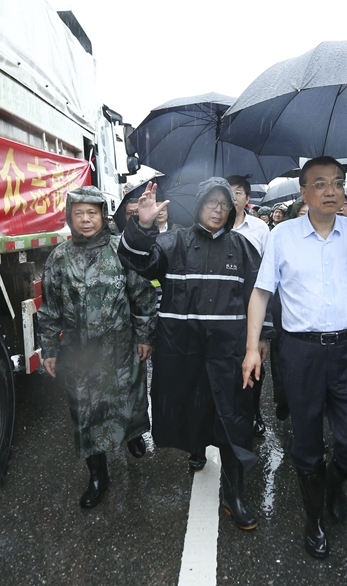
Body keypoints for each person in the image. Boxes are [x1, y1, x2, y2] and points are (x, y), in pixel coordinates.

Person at [243, 156, 347, 559]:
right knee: (306, 442)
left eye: (338, 183)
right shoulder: (283, 235)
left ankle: (333, 483)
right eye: (320, 184)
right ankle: (314, 519)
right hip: (300, 353)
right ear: (304, 192)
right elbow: (261, 293)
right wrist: (253, 348)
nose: (331, 191)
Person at [119, 178, 267, 531]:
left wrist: (262, 340)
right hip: (183, 350)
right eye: (211, 202)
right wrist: (142, 226)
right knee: (192, 408)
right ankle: (196, 448)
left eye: (224, 204)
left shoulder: (243, 248)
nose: (218, 209)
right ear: (199, 205)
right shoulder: (174, 242)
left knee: (234, 420)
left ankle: (234, 496)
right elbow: (138, 261)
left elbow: (259, 295)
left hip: (228, 353)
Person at [38, 186, 157, 509]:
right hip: (80, 355)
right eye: (79, 213)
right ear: (70, 217)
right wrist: (49, 349)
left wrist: (145, 336)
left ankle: (132, 434)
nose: (86, 219)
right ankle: (97, 474)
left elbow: (142, 295)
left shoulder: (121, 250)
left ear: (103, 216)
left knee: (128, 398)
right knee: (85, 412)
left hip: (121, 349)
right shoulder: (59, 258)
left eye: (92, 213)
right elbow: (50, 308)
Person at [226, 175, 272, 437]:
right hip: (222, 311)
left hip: (251, 308)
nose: (233, 197)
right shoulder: (211, 224)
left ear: (248, 199)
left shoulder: (259, 229)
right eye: (228, 192)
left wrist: (264, 332)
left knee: (254, 363)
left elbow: (267, 279)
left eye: (238, 192)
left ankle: (254, 411)